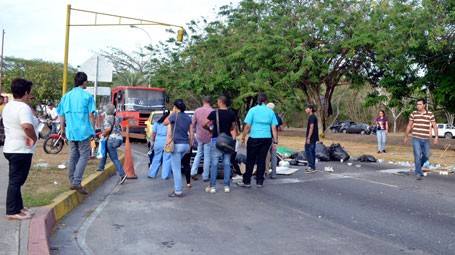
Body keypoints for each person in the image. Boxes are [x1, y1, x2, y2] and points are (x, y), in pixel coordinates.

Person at [3, 78, 37, 220]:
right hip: (20, 149)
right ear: (25, 93)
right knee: (16, 181)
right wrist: (33, 137)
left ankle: (19, 207)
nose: (30, 96)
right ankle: (12, 211)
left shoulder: (9, 106)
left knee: (17, 180)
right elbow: (27, 126)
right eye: (30, 93)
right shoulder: (23, 108)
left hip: (10, 147)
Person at [57, 72, 96, 194]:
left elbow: (62, 114)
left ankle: (72, 180)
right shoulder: (87, 96)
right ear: (84, 82)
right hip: (83, 131)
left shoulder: (66, 96)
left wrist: (62, 130)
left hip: (70, 131)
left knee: (73, 155)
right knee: (84, 155)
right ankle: (76, 181)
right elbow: (91, 115)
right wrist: (93, 130)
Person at [237, 93, 278, 188]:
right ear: (266, 101)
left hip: (254, 137)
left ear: (258, 100)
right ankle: (260, 181)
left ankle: (247, 181)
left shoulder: (253, 110)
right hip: (266, 138)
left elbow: (247, 126)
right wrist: (275, 141)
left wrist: (243, 137)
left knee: (250, 160)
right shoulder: (270, 112)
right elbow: (274, 128)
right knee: (262, 159)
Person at [203, 95, 237, 193]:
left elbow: (204, 124)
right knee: (226, 163)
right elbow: (232, 127)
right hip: (227, 141)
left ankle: (212, 186)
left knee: (214, 163)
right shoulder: (231, 113)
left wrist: (210, 130)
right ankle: (226, 186)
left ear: (220, 102)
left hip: (216, 140)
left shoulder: (214, 113)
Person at [163, 99, 193, 197]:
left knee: (176, 169)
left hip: (176, 145)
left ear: (175, 107)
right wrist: (190, 145)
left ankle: (178, 191)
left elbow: (164, 122)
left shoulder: (173, 116)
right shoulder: (188, 118)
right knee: (178, 165)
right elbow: (191, 134)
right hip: (185, 145)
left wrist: (172, 112)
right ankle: (178, 188)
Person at [404, 98, 438, 180]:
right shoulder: (413, 114)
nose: (418, 106)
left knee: (426, 156)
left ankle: (418, 166)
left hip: (426, 139)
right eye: (417, 104)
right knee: (417, 155)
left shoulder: (430, 114)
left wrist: (436, 137)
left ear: (424, 105)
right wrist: (406, 136)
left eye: (420, 104)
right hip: (416, 138)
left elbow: (435, 126)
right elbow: (409, 125)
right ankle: (418, 173)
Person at [97, 103, 127, 184]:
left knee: (114, 158)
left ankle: (122, 174)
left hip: (112, 140)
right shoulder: (116, 118)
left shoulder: (107, 119)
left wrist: (102, 134)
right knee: (105, 150)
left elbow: (108, 129)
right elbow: (123, 118)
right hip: (119, 139)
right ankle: (101, 167)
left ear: (106, 112)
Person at [190, 96, 213, 181]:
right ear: (211, 102)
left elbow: (192, 124)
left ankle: (193, 171)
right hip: (208, 135)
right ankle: (205, 176)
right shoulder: (212, 111)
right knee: (207, 156)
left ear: (203, 101)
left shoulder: (197, 111)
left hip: (199, 135)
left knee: (199, 154)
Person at [147, 109, 172, 180]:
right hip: (166, 141)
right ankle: (165, 175)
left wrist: (153, 141)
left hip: (158, 142)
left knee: (156, 158)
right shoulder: (169, 123)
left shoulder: (157, 123)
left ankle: (152, 174)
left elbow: (154, 133)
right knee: (166, 158)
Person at [266, 102, 283, 178]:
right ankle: (274, 173)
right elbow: (281, 128)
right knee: (274, 155)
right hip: (274, 138)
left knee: (266, 155)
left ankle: (265, 172)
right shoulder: (277, 117)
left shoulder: (266, 115)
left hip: (266, 137)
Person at [304, 104, 319, 173]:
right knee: (312, 151)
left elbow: (311, 127)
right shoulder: (311, 117)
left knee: (309, 151)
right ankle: (312, 166)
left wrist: (308, 138)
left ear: (311, 109)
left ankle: (311, 166)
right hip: (314, 137)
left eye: (307, 109)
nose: (305, 110)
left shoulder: (312, 117)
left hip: (312, 137)